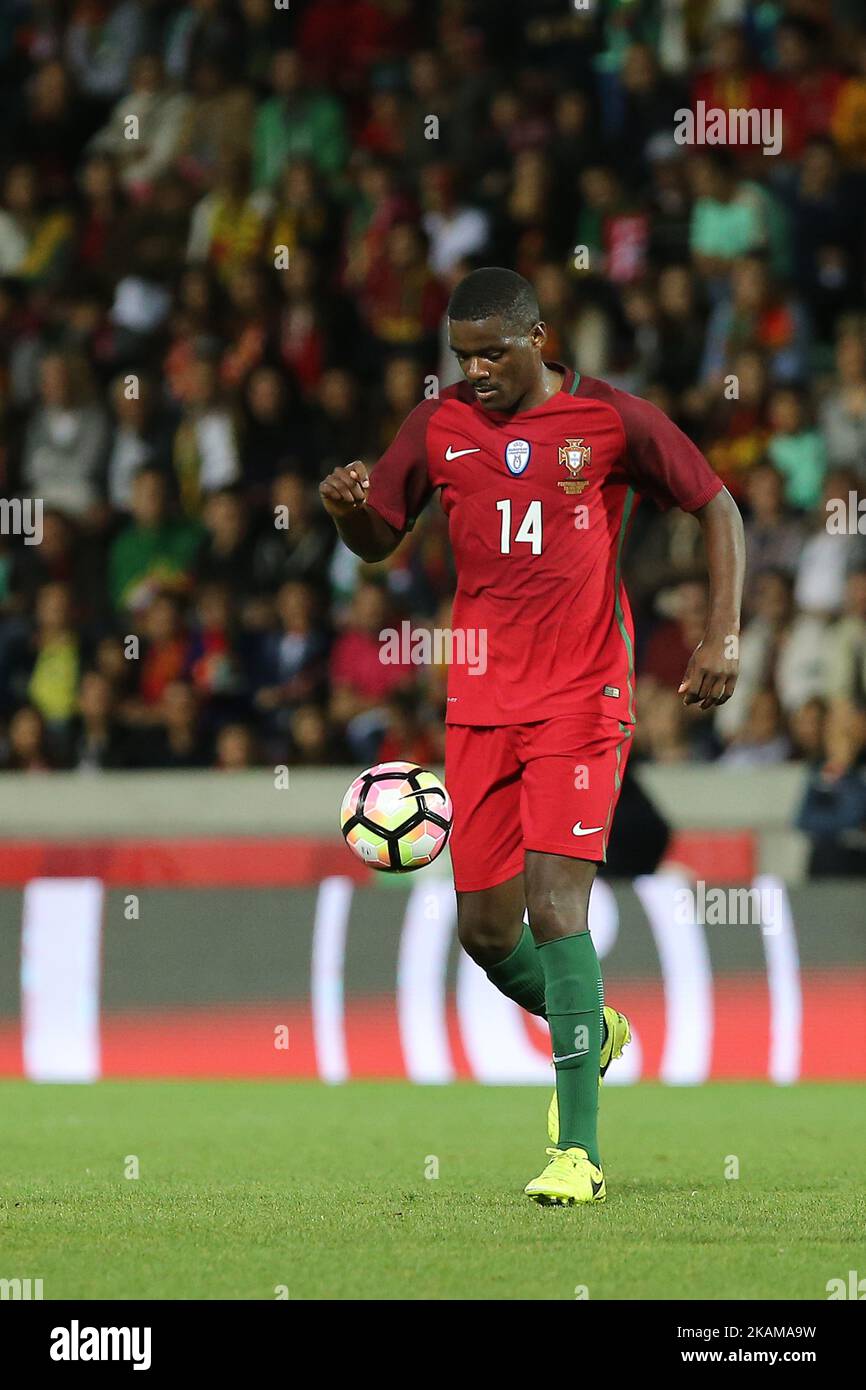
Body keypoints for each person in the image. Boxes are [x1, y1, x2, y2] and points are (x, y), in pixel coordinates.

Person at [320, 266, 745, 1206]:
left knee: (557, 905)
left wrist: (721, 632)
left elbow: (717, 504)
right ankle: (593, 1023)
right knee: (484, 929)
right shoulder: (435, 428)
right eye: (461, 356)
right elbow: (379, 537)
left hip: (581, 696)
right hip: (478, 701)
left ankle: (580, 1154)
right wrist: (349, 509)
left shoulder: (612, 422)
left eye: (493, 354)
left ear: (540, 340)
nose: (474, 371)